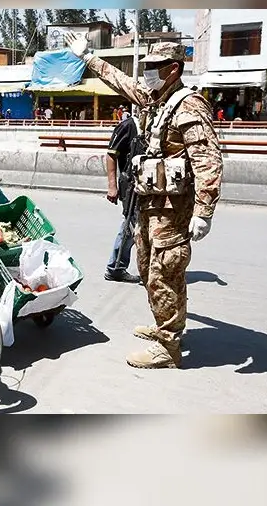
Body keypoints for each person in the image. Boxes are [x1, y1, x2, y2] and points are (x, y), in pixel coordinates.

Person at [66, 33, 223, 369]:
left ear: (174, 69)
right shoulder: (155, 99)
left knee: (165, 272)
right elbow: (122, 82)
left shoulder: (188, 104)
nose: (148, 72)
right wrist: (88, 57)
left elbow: (207, 159)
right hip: (150, 204)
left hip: (173, 210)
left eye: (154, 67)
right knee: (147, 268)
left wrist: (204, 210)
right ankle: (163, 323)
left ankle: (169, 347)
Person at [104, 111, 142, 284]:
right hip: (131, 185)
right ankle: (116, 267)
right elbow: (111, 155)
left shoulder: (155, 123)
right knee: (131, 225)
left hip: (149, 185)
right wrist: (112, 186)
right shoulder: (129, 125)